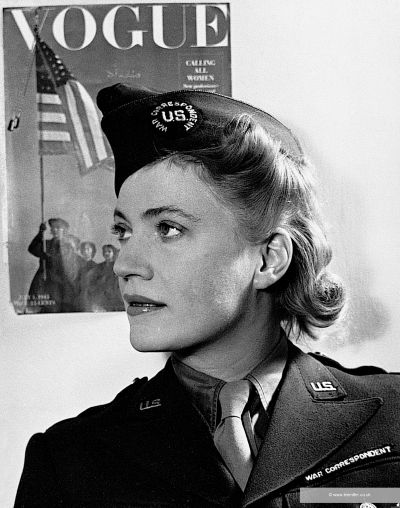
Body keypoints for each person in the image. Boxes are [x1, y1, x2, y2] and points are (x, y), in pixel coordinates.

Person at [15, 85, 400, 507]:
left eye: (168, 228)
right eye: (123, 231)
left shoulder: (392, 417)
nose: (124, 265)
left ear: (269, 259)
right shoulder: (68, 461)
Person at [26, 218, 70, 313]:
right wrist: (40, 232)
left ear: (64, 230)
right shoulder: (46, 244)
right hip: (43, 279)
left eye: (58, 227)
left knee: (57, 309)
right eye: (53, 227)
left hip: (59, 281)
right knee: (38, 307)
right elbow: (32, 249)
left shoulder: (68, 246)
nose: (55, 230)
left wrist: (50, 258)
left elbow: (66, 262)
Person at [80, 244, 124, 312]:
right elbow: (91, 281)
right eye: (105, 252)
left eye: (109, 251)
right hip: (102, 297)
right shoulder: (98, 267)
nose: (106, 253)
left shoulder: (117, 267)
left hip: (114, 297)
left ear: (113, 253)